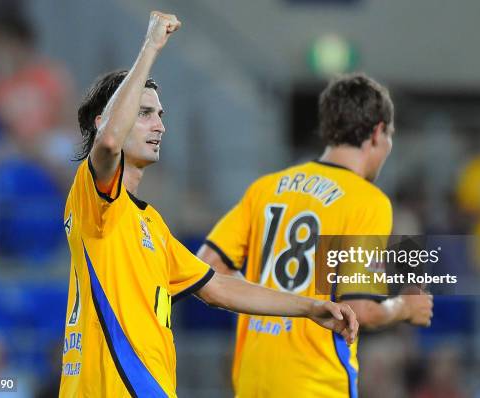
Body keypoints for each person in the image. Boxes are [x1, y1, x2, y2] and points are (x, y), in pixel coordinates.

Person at [59, 11, 358, 398]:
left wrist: (308, 308)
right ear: (106, 120)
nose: (160, 126)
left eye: (160, 115)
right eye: (145, 113)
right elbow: (109, 143)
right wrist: (150, 46)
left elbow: (217, 287)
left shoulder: (150, 224)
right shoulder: (95, 199)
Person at [197, 73, 434, 398]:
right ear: (378, 132)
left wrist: (268, 295)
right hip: (315, 382)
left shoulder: (266, 188)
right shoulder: (366, 201)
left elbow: (207, 268)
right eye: (390, 135)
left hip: (253, 379)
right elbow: (361, 310)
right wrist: (405, 307)